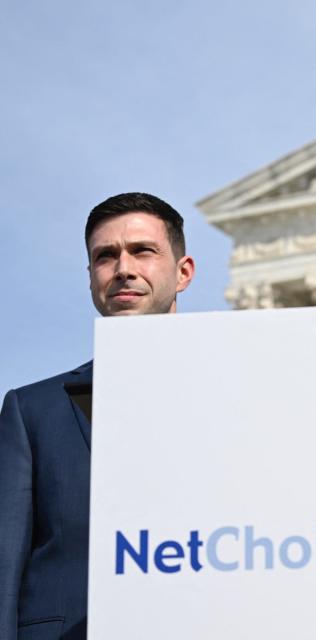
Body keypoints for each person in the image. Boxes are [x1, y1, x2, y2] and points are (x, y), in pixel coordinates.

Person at [0, 192, 195, 639]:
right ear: (91, 277)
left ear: (183, 273)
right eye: (106, 257)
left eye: (143, 251)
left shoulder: (241, 394)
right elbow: (5, 565)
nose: (123, 268)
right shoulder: (31, 411)